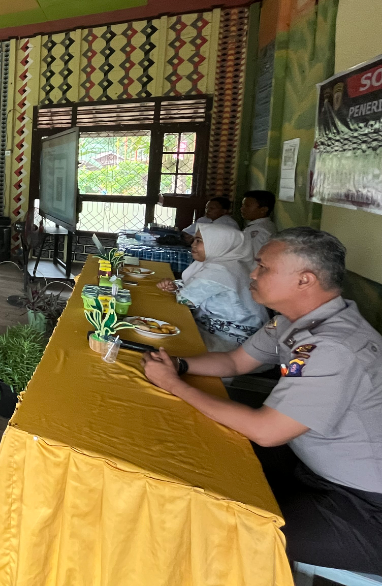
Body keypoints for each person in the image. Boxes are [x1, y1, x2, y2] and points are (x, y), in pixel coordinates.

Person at [143, 228, 382, 574]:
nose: (252, 274)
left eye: (263, 267)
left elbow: (267, 431)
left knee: (219, 530)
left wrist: (176, 386)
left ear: (305, 280)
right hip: (311, 466)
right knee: (198, 463)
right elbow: (235, 362)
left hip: (363, 505)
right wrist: (177, 366)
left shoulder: (335, 346)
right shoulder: (292, 321)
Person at [157, 223, 267, 351]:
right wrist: (174, 286)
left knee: (163, 341)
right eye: (194, 240)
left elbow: (184, 301)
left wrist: (175, 290)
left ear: (219, 243)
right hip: (224, 331)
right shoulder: (230, 263)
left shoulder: (220, 270)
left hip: (229, 339)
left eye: (199, 241)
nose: (193, 244)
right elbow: (192, 285)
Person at [241, 190, 277, 257]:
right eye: (242, 205)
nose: (242, 209)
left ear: (263, 210)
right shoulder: (268, 224)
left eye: (247, 206)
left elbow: (255, 258)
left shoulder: (257, 231)